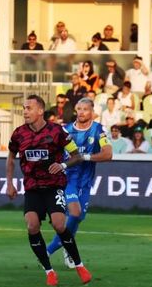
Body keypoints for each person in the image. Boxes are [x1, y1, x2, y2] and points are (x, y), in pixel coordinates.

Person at [6, 95, 92, 286]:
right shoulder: (19, 133)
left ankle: (79, 265)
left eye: (29, 108)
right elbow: (11, 157)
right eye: (24, 108)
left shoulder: (57, 132)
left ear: (39, 111)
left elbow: (76, 156)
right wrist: (9, 183)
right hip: (32, 188)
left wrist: (62, 165)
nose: (25, 111)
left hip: (53, 186)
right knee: (32, 226)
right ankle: (49, 271)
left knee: (59, 225)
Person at [46, 98, 112, 268]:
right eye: (79, 109)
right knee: (74, 213)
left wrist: (87, 157)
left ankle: (67, 248)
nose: (82, 112)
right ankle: (48, 251)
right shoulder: (65, 130)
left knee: (78, 217)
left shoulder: (98, 130)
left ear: (92, 112)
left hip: (86, 181)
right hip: (68, 179)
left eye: (85, 109)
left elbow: (108, 154)